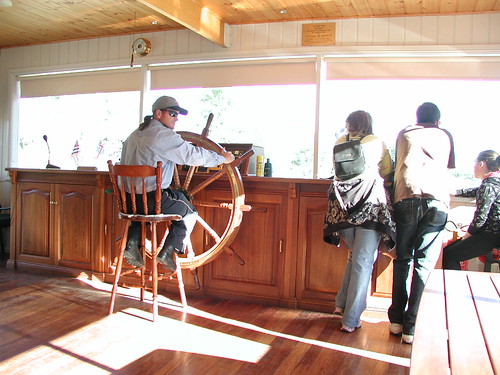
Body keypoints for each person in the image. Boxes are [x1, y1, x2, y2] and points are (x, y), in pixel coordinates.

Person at [120, 95, 234, 271]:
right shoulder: (161, 135)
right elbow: (191, 155)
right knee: (189, 212)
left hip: (128, 203)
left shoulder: (134, 135)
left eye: (177, 114)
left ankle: (131, 243)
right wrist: (222, 158)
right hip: (152, 201)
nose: (176, 118)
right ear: (158, 113)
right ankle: (168, 251)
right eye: (172, 113)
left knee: (142, 210)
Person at [388, 102, 455, 344]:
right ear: (438, 120)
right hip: (436, 200)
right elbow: (446, 166)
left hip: (406, 196)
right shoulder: (444, 135)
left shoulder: (404, 133)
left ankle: (395, 321)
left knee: (403, 259)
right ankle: (411, 327)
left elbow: (399, 163)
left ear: (417, 118)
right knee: (424, 263)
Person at [324, 110, 395, 333]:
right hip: (368, 204)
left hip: (341, 205)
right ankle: (351, 319)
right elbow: (387, 169)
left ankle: (341, 304)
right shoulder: (376, 142)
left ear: (349, 124)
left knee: (354, 256)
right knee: (363, 261)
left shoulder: (339, 141)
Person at [442, 150, 500, 269]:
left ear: (481, 164)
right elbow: (478, 190)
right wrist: (459, 192)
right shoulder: (494, 183)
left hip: (491, 235)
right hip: (495, 234)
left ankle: (454, 287)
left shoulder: (487, 186)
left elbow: (480, 218)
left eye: (475, 163)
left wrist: (467, 235)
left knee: (449, 255)